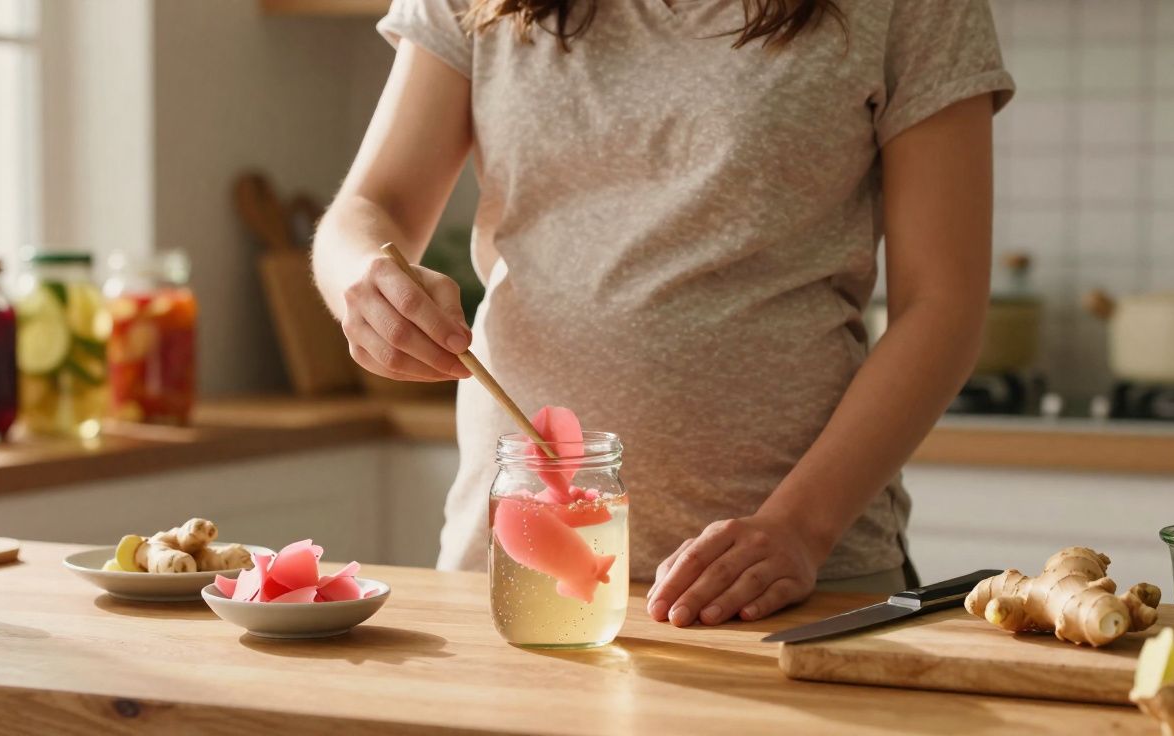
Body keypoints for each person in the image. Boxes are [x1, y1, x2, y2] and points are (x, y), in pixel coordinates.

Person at [313, 0, 1014, 627]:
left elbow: (942, 305)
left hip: (789, 587)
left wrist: (800, 529)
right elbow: (371, 208)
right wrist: (364, 279)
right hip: (516, 575)